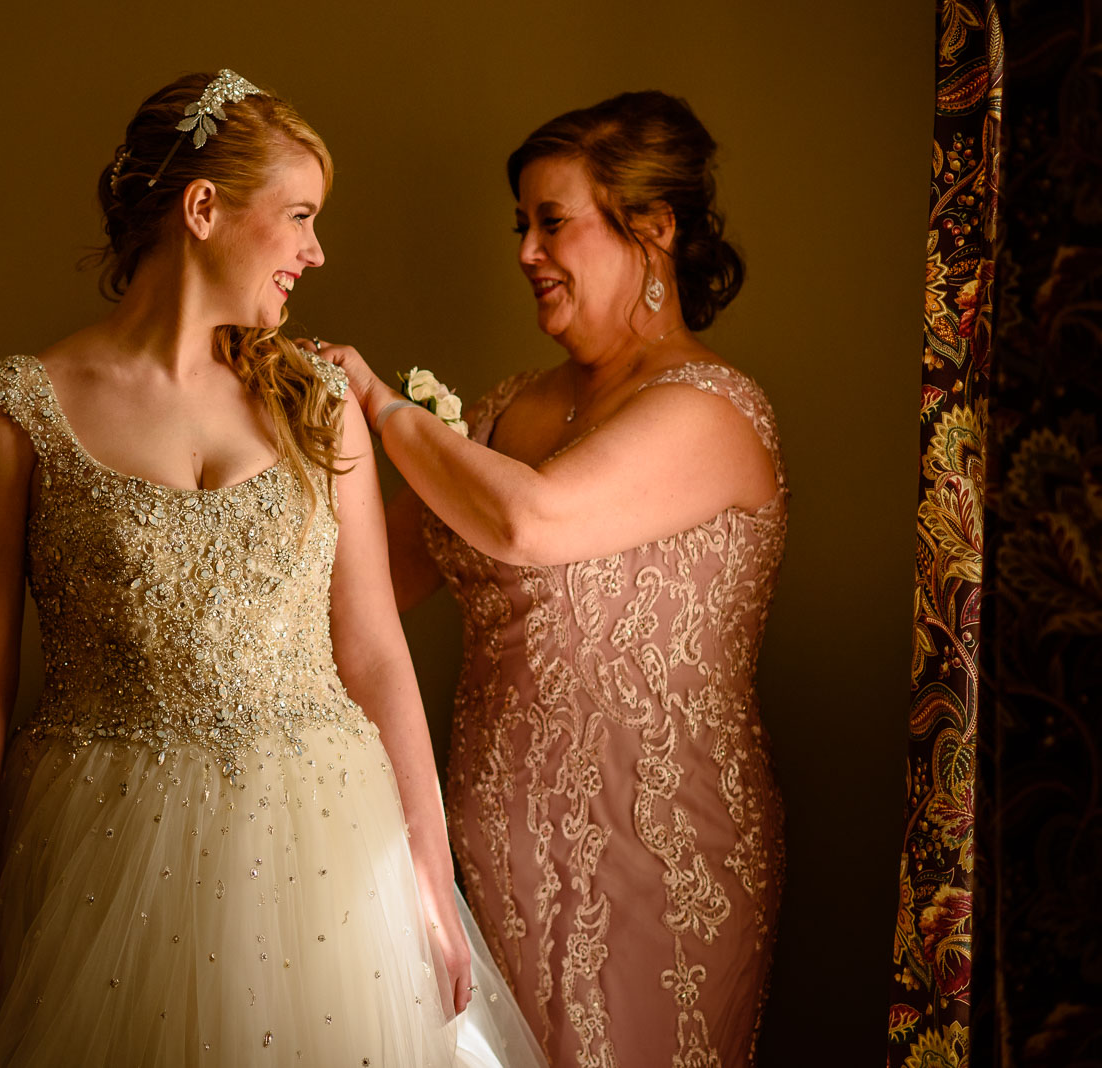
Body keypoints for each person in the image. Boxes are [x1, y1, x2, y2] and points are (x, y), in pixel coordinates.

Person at [0, 70, 545, 1067]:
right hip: (100, 847)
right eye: (297, 216)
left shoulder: (316, 400)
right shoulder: (17, 412)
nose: (315, 251)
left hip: (325, 846)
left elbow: (375, 651)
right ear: (201, 209)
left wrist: (430, 877)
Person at [314, 91, 787, 1066]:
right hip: (484, 847)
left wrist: (382, 407)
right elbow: (366, 593)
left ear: (650, 230)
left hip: (657, 856)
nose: (525, 250)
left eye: (551, 222)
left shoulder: (713, 412)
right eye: (520, 226)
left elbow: (533, 520)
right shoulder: (495, 414)